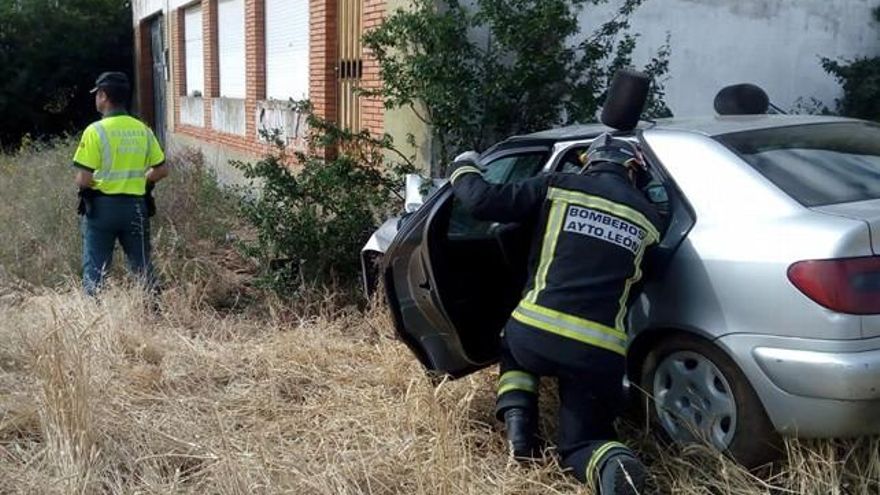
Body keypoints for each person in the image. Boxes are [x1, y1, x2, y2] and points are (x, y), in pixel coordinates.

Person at [446, 133, 663, 495]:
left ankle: (521, 436)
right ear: (633, 171)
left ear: (590, 163)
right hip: (598, 352)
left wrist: (462, 167)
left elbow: (482, 203)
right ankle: (611, 465)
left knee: (513, 348)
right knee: (584, 442)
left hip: (535, 334)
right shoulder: (651, 220)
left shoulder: (557, 187)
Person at [72, 72, 168, 296]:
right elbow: (162, 169)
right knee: (142, 267)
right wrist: (142, 181)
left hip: (101, 210)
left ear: (103, 96)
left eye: (97, 94)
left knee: (95, 269)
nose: (96, 99)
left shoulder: (95, 131)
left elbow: (84, 179)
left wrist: (96, 183)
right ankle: (153, 314)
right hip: (136, 207)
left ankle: (94, 319)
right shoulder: (143, 130)